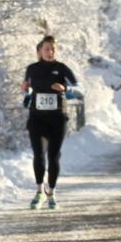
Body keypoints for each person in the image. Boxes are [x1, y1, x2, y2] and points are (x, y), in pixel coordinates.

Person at [22, 35, 78, 209]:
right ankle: (39, 191)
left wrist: (65, 88)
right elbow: (27, 92)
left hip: (57, 118)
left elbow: (79, 89)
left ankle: (51, 193)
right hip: (37, 117)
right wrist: (25, 91)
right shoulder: (32, 69)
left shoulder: (61, 68)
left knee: (53, 156)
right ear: (39, 50)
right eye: (47, 48)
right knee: (38, 154)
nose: (50, 52)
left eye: (53, 49)